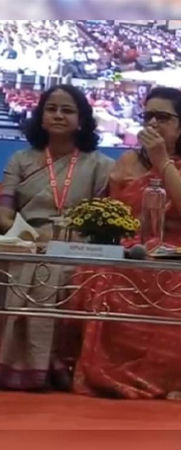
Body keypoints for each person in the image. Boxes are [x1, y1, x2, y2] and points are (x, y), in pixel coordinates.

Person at [66, 87, 181, 401]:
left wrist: (163, 163)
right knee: (96, 274)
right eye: (148, 116)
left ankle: (177, 380)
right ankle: (102, 373)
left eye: (163, 117)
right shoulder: (128, 162)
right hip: (134, 250)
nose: (153, 123)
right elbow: (118, 216)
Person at [0, 84, 114, 390]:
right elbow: (3, 215)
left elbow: (102, 222)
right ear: (40, 116)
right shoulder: (20, 160)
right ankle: (39, 363)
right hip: (26, 242)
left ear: (82, 119)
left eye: (67, 110)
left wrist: (65, 241)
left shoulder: (101, 165)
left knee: (52, 269)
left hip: (79, 247)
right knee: (30, 266)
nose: (58, 115)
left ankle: (53, 361)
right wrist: (29, 237)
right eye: (51, 109)